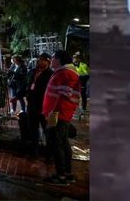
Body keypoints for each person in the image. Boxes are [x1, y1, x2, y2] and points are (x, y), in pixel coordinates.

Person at [42, 50, 81, 185]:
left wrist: (54, 113)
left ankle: (61, 176)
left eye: (52, 58)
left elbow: (64, 96)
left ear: (58, 59)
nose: (50, 61)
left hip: (59, 115)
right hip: (61, 114)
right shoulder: (65, 72)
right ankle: (67, 173)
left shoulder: (66, 73)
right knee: (63, 143)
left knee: (58, 144)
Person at [21, 52, 53, 156]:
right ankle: (34, 151)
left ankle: (49, 154)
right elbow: (25, 84)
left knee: (47, 131)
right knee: (33, 129)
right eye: (38, 59)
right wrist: (17, 96)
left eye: (41, 60)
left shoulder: (51, 74)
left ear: (47, 61)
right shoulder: (32, 71)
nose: (38, 61)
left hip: (44, 107)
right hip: (32, 106)